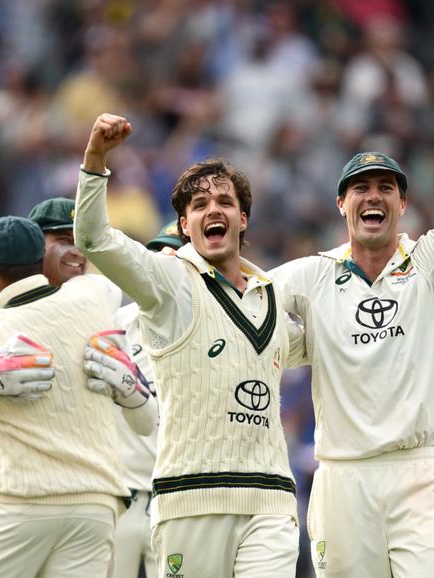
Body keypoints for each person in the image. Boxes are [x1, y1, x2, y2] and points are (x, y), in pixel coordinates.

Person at [269, 6, 434, 576]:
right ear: (341, 205)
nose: (372, 197)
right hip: (342, 474)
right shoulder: (309, 274)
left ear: (402, 202)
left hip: (421, 471)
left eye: (385, 188)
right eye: (360, 189)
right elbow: (236, 306)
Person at [75, 114, 306, 577]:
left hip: (272, 501)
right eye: (199, 205)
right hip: (189, 500)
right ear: (185, 224)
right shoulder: (170, 283)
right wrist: (96, 159)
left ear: (243, 219)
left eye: (225, 201)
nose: (213, 210)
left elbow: (345, 348)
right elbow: (94, 238)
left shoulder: (273, 297)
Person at [0, 197, 152, 577]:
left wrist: (130, 387)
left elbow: (145, 420)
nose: (76, 252)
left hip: (84, 491)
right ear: (34, 246)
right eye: (61, 239)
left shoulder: (97, 297)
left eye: (81, 241)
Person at [103, 221, 182, 578]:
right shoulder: (115, 326)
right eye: (157, 258)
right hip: (122, 498)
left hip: (180, 499)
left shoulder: (217, 330)